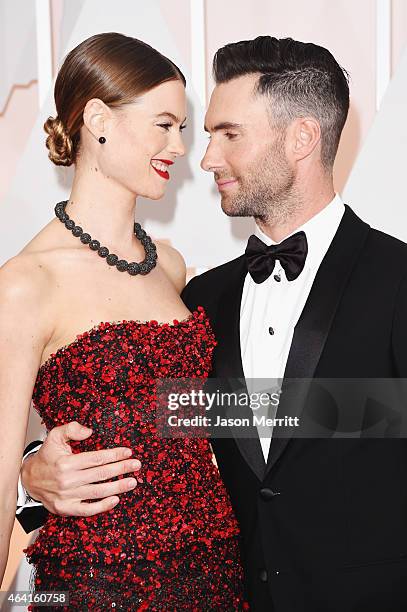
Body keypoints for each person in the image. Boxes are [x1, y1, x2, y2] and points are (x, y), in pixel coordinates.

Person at [17, 35, 407, 611]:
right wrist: (34, 471)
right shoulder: (201, 297)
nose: (203, 159)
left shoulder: (397, 277)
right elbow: (150, 416)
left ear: (301, 138)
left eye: (228, 135)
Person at [0, 32, 247, 610]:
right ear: (98, 119)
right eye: (164, 124)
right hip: (97, 585)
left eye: (182, 128)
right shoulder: (26, 283)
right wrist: (32, 477)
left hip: (216, 575)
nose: (180, 147)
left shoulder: (172, 266)